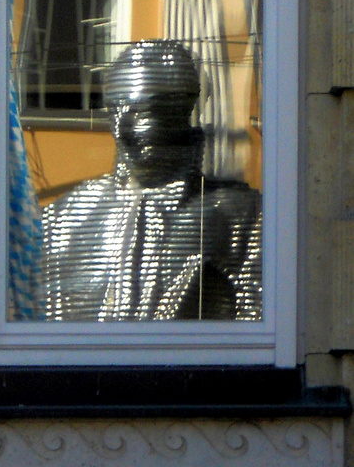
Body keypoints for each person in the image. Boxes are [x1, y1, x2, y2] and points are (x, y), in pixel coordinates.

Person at [41, 39, 261, 321]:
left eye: (142, 113)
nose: (121, 130)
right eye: (114, 110)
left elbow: (255, 334)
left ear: (184, 116)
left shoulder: (243, 219)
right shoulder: (64, 219)